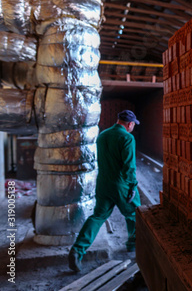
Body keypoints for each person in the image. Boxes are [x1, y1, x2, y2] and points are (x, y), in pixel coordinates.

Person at [68, 110, 141, 272]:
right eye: (133, 125)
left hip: (102, 183)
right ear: (129, 124)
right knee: (136, 213)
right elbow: (129, 166)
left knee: (98, 216)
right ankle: (133, 243)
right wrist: (133, 186)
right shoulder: (128, 138)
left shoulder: (103, 135)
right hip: (121, 184)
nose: (133, 127)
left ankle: (77, 250)